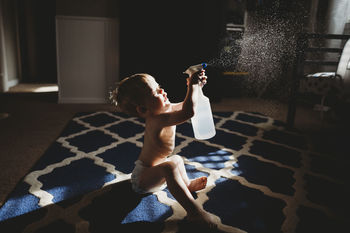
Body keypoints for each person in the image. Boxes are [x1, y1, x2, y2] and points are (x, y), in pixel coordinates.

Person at [110, 70, 217, 229]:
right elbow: (188, 112)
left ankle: (185, 185)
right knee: (169, 166)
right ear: (143, 110)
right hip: (143, 179)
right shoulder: (158, 119)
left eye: (159, 87)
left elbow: (184, 105)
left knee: (176, 159)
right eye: (155, 92)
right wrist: (192, 87)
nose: (162, 90)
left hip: (154, 172)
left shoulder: (164, 110)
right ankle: (194, 212)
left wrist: (197, 88)